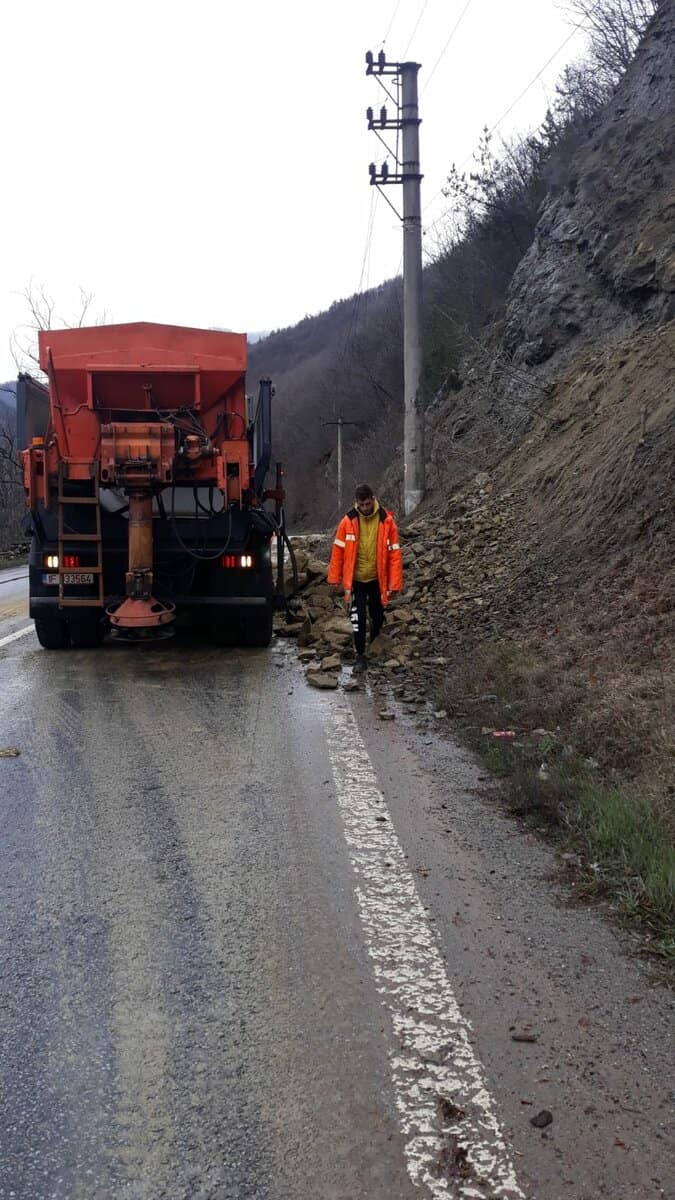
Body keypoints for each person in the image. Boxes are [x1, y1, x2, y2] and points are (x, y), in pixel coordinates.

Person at [327, 483, 403, 672]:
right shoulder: (348, 522)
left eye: (368, 504)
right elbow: (338, 551)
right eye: (362, 505)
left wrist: (394, 583)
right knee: (357, 619)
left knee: (377, 616)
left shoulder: (386, 521)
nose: (365, 509)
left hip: (378, 579)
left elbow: (394, 554)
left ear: (373, 500)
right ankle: (360, 655)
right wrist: (335, 578)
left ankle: (375, 642)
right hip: (356, 581)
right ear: (356, 503)